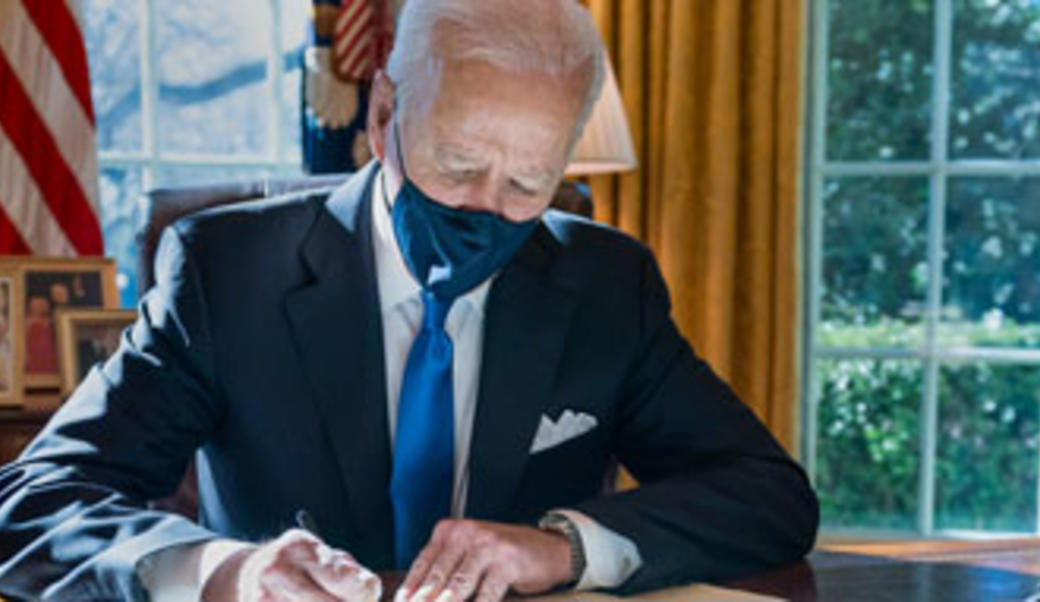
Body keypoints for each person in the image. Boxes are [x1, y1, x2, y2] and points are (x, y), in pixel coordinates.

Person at [0, 1, 819, 601]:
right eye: (458, 164)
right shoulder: (224, 272)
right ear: (386, 111)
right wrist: (225, 571)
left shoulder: (608, 286)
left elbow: (768, 496)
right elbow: (35, 502)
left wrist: (565, 548)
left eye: (528, 182)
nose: (486, 207)